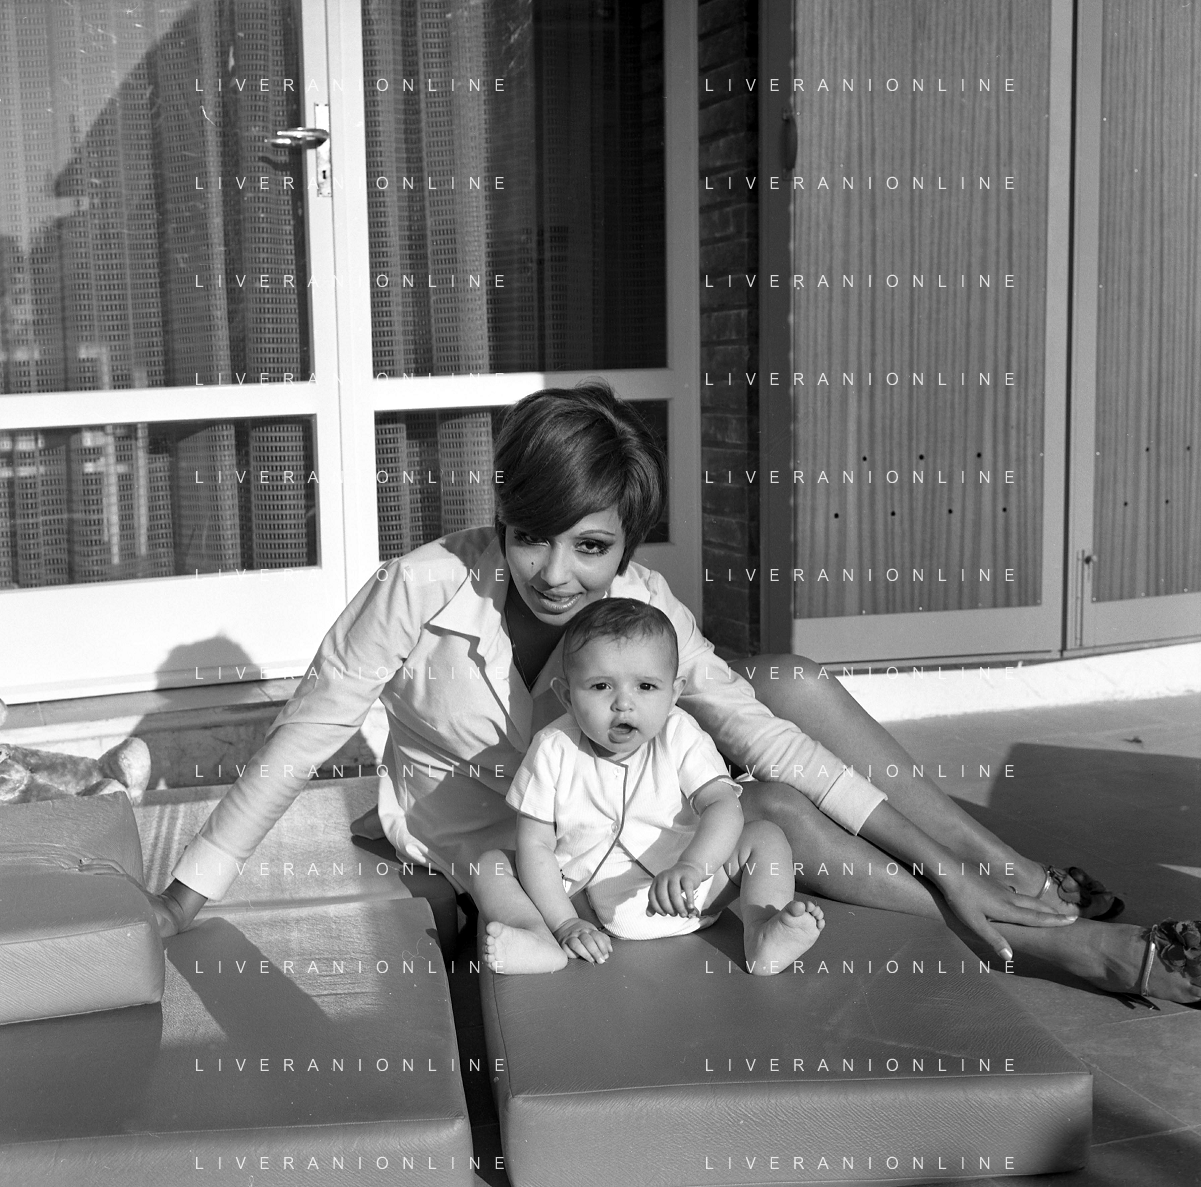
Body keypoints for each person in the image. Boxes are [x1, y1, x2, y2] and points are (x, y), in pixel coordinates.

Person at [150, 381, 1200, 1006]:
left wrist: (937, 857)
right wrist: (188, 892)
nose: (553, 572)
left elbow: (763, 732)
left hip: (630, 792)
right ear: (501, 515)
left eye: (589, 546)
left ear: (629, 543)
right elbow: (302, 739)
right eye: (530, 536)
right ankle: (1060, 939)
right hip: (500, 840)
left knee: (780, 689)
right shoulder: (417, 588)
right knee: (774, 808)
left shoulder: (643, 600)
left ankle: (998, 871)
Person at [477, 597, 825, 975]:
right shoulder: (552, 748)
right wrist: (565, 922)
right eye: (600, 686)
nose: (623, 704)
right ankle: (539, 936)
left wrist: (694, 865)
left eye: (645, 686)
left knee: (766, 836)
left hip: (689, 891)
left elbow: (722, 805)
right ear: (567, 696)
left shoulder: (679, 734)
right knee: (490, 865)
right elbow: (536, 844)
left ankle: (762, 930)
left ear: (673, 694)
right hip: (585, 909)